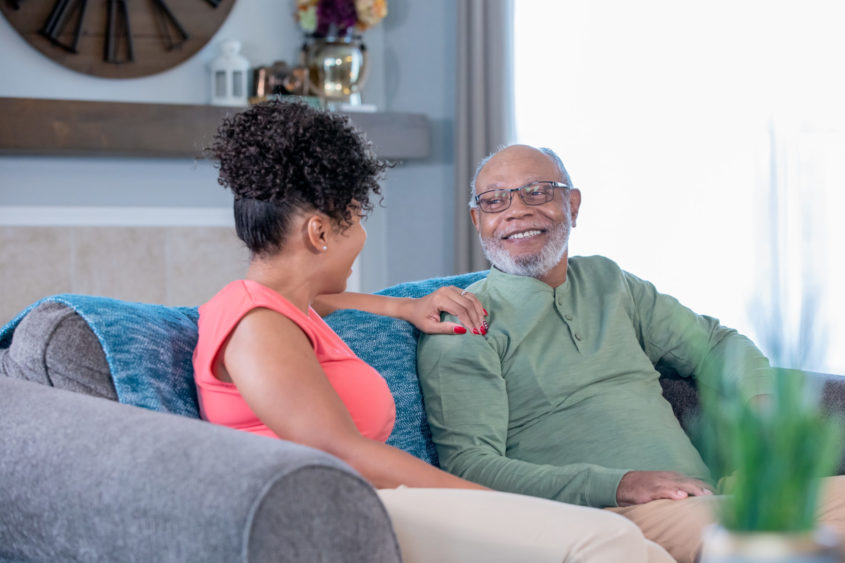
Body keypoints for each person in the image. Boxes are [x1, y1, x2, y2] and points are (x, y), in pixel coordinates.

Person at [192, 101, 672, 562]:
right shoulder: (257, 324)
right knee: (606, 541)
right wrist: (494, 504)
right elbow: (342, 450)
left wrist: (404, 306)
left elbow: (312, 298)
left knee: (642, 548)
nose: (362, 238)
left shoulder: (274, 307)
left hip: (375, 501)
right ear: (319, 234)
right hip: (332, 514)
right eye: (357, 221)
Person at [416, 143, 845, 563]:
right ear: (478, 219)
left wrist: (763, 407)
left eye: (537, 191)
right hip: (613, 519)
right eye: (494, 200)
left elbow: (715, 342)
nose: (516, 210)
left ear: (574, 204)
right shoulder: (461, 321)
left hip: (717, 494)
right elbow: (471, 467)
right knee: (771, 548)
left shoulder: (608, 281)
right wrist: (622, 485)